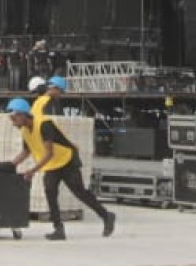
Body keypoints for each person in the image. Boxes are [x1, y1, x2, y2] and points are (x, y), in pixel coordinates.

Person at [7, 97, 115, 240]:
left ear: (22, 115)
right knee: (50, 193)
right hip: (52, 165)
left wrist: (32, 171)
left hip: (67, 161)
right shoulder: (25, 131)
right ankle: (59, 229)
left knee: (80, 192)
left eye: (14, 119)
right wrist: (10, 165)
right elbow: (26, 151)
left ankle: (106, 216)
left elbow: (49, 153)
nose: (13, 123)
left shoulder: (44, 124)